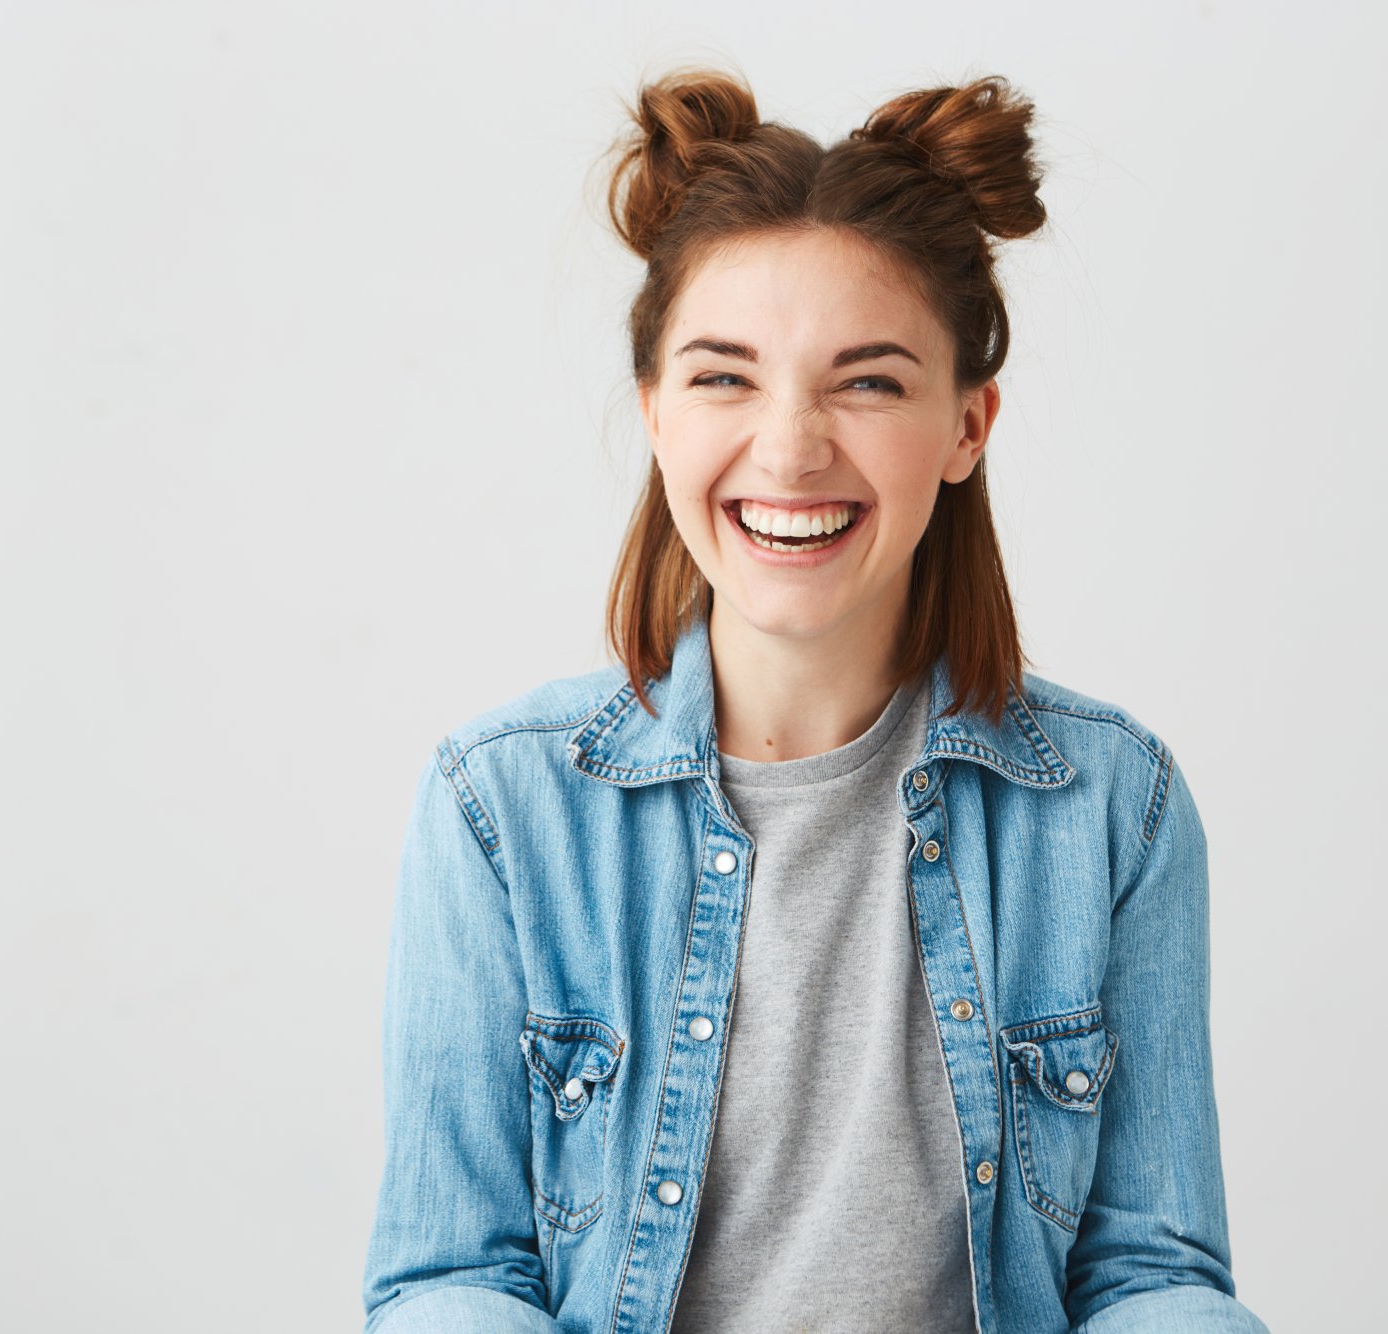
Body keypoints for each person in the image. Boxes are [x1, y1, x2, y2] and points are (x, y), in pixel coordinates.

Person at [361, 67, 1270, 1334]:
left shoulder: (1115, 805)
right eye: (723, 377)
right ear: (655, 415)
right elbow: (451, 1277)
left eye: (868, 381)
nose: (788, 449)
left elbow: (1147, 1273)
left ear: (966, 425)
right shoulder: (499, 805)